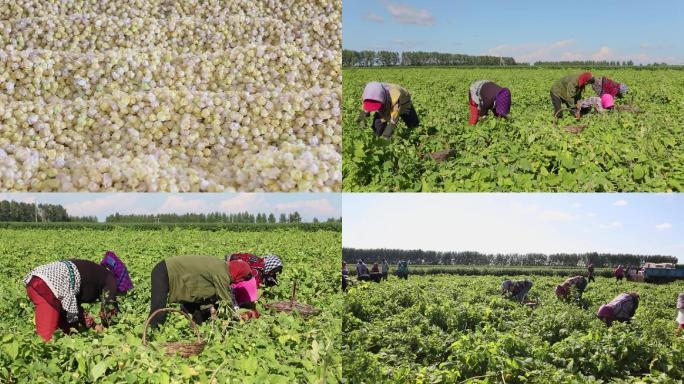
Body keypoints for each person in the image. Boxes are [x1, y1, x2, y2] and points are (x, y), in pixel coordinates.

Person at [23, 251, 133, 342]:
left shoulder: (97, 273)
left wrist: (94, 325)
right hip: (48, 285)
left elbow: (74, 308)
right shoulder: (110, 280)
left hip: (37, 281)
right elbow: (109, 311)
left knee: (69, 330)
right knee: (46, 340)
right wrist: (109, 331)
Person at [148, 255, 253, 328]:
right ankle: (151, 336)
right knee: (158, 310)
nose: (239, 281)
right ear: (239, 272)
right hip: (165, 270)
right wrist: (239, 319)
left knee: (197, 310)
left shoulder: (222, 267)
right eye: (241, 278)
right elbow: (226, 301)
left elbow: (206, 293)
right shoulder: (222, 273)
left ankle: (194, 329)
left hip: (172, 271)